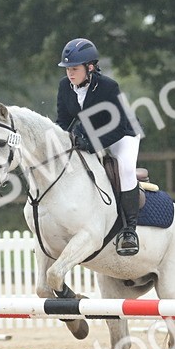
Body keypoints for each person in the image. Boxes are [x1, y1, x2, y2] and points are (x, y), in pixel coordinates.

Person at [54, 37, 143, 256]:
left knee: (125, 169)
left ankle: (129, 231)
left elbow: (119, 126)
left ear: (90, 67)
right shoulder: (65, 86)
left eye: (74, 69)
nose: (70, 74)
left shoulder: (108, 87)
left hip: (124, 134)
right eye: (67, 69)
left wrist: (91, 144)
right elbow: (63, 121)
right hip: (92, 133)